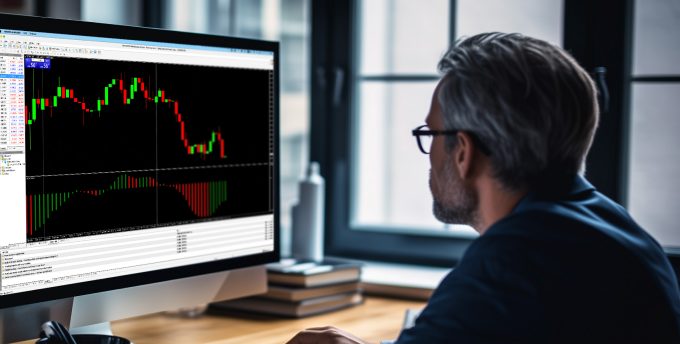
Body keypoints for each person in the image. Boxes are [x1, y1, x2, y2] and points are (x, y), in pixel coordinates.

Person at [287, 33, 680, 343]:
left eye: (432, 134)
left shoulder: (512, 262)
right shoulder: (610, 224)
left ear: (464, 152)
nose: (429, 153)